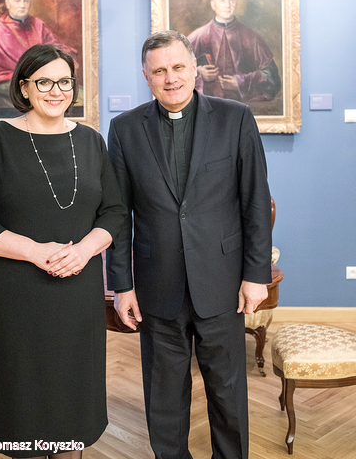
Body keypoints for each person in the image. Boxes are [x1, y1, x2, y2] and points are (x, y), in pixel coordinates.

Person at [106, 30, 272, 459]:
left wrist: (256, 276)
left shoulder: (236, 118)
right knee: (164, 398)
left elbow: (255, 202)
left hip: (222, 282)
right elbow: (117, 214)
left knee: (227, 393)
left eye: (178, 67)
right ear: (146, 77)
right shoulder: (124, 129)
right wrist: (121, 285)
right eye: (159, 70)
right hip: (157, 284)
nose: (171, 78)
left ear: (194, 68)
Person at [0, 44, 125, 459]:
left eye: (64, 81)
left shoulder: (91, 141)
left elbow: (115, 211)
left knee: (73, 408)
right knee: (24, 406)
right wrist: (34, 251)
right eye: (44, 82)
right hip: (16, 295)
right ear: (24, 88)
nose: (56, 91)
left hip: (77, 293)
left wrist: (84, 250)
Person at [0, 0, 77, 109]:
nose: (22, 5)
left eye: (26, 0)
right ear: (8, 4)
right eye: (17, 0)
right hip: (9, 82)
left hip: (45, 79)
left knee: (75, 93)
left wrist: (66, 56)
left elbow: (55, 46)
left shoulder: (38, 24)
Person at [188, 0, 281, 103]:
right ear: (213, 5)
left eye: (231, 0)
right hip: (206, 104)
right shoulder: (199, 35)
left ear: (236, 4)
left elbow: (272, 77)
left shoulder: (251, 37)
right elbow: (177, 68)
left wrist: (240, 82)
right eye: (222, 0)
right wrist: (200, 73)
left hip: (243, 105)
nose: (227, 5)